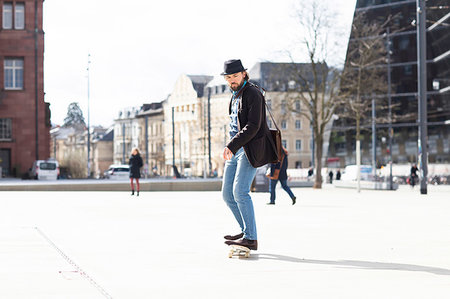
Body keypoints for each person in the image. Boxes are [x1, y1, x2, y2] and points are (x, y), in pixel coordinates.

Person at [221, 59, 278, 251]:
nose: (232, 80)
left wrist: (231, 144)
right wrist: (231, 145)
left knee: (240, 191)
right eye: (228, 78)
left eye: (235, 76)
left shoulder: (253, 93)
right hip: (235, 149)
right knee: (227, 194)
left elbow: (253, 126)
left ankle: (251, 238)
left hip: (248, 149)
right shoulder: (235, 95)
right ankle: (245, 231)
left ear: (244, 74)